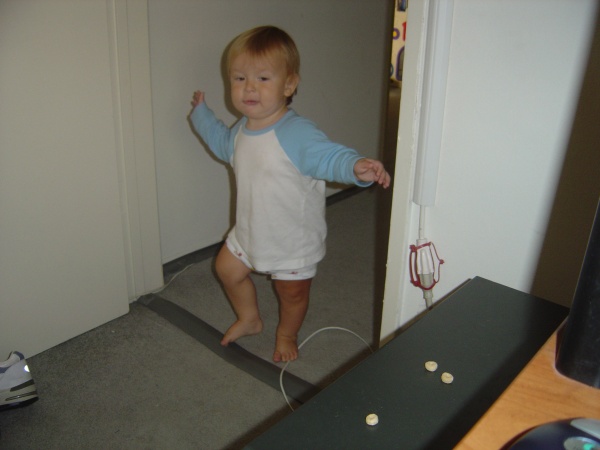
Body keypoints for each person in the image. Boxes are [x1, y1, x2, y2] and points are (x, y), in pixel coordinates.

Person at [190, 25, 390, 363]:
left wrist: (355, 166)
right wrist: (201, 115)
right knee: (226, 270)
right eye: (239, 78)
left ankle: (287, 333)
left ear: (289, 84)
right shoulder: (241, 130)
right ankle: (250, 319)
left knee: (291, 294)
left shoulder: (296, 133)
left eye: (262, 78)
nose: (249, 87)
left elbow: (328, 156)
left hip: (291, 240)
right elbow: (221, 142)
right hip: (250, 231)